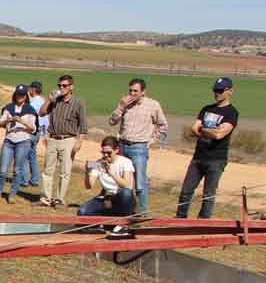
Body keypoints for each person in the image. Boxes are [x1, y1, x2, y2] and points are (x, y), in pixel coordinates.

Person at [176, 78, 239, 219]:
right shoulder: (206, 109)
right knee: (186, 191)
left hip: (216, 160)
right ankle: (180, 219)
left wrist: (203, 129)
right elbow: (193, 129)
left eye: (220, 91)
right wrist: (210, 130)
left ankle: (203, 223)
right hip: (198, 157)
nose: (217, 93)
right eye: (215, 90)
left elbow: (219, 134)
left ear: (230, 91)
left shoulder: (232, 113)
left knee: (208, 195)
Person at [109, 78, 168, 213]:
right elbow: (112, 121)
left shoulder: (153, 105)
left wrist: (152, 140)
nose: (132, 93)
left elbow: (163, 125)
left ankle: (142, 211)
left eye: (135, 91)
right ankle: (123, 209)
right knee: (122, 178)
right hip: (123, 145)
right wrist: (121, 107)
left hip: (139, 147)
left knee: (140, 181)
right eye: (130, 90)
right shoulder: (125, 105)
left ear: (143, 92)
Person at [38, 74, 87, 208]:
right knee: (48, 170)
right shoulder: (55, 100)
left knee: (64, 172)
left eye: (64, 85)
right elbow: (41, 113)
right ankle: (45, 199)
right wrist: (49, 100)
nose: (61, 88)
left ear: (71, 87)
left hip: (68, 139)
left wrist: (79, 142)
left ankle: (59, 199)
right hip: (53, 138)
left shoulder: (78, 103)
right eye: (59, 85)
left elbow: (83, 125)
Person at [0, 85, 38, 203]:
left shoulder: (30, 110)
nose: (20, 96)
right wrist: (7, 120)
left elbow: (33, 128)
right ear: (15, 95)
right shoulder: (9, 108)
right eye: (18, 94)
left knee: (17, 170)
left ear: (26, 96)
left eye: (22, 95)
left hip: (23, 141)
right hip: (9, 141)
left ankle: (12, 195)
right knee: (3, 169)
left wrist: (22, 121)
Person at [79, 137, 135, 216]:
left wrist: (111, 173)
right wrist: (87, 172)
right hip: (107, 198)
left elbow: (127, 185)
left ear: (116, 150)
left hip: (121, 197)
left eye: (109, 152)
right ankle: (107, 217)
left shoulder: (125, 162)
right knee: (83, 211)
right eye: (103, 152)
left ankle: (125, 219)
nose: (105, 155)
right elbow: (89, 186)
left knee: (126, 193)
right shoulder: (99, 163)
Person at [23, 80, 46, 188]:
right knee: (32, 156)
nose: (29, 90)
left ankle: (25, 180)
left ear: (33, 89)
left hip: (30, 132)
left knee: (24, 156)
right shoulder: (43, 101)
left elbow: (28, 117)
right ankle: (35, 180)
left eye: (30, 88)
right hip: (38, 133)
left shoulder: (33, 103)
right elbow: (46, 120)